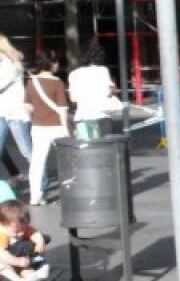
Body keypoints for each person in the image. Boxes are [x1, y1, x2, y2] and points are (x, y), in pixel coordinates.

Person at [25, 54, 70, 206]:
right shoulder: (57, 82)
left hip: (38, 126)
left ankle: (35, 196)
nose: (57, 65)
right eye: (56, 62)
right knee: (67, 161)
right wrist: (66, 129)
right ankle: (71, 191)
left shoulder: (32, 82)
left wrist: (36, 116)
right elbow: (63, 108)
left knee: (37, 162)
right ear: (51, 64)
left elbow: (28, 106)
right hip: (57, 126)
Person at [68, 41, 117, 139]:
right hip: (101, 116)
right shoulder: (103, 70)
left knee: (87, 151)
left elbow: (73, 98)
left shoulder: (74, 74)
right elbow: (108, 92)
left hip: (82, 117)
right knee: (104, 149)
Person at [0, 201, 49, 281]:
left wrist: (39, 243)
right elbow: (2, 254)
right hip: (6, 263)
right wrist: (17, 261)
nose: (21, 233)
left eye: (23, 229)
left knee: (26, 265)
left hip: (18, 261)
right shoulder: (1, 234)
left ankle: (32, 277)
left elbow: (34, 233)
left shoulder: (18, 227)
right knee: (3, 268)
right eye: (16, 231)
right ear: (1, 225)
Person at [0, 35, 32, 174]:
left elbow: (2, 83)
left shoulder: (10, 63)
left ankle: (42, 180)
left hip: (14, 111)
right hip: (2, 110)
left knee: (26, 149)